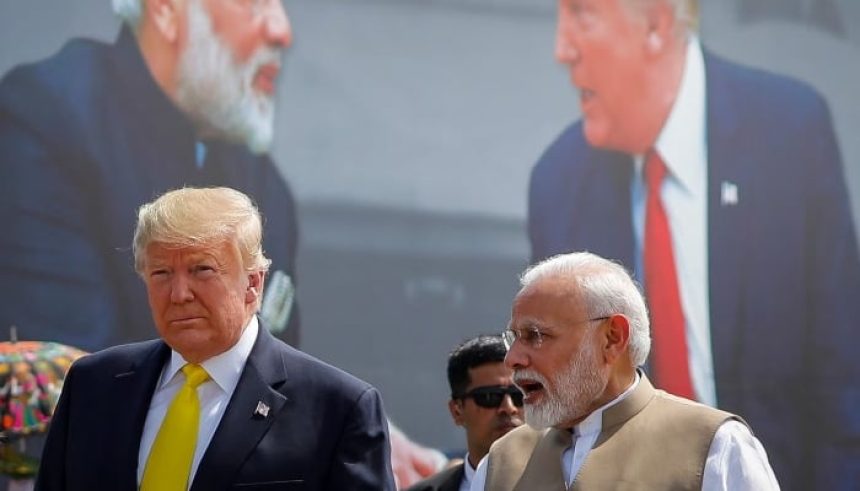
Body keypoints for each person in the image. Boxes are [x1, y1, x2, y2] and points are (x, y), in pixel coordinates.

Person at [527, 0, 860, 488]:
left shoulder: (788, 135)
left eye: (582, 14)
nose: (561, 49)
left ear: (657, 24)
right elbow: (562, 411)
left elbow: (844, 382)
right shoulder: (559, 184)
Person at [35, 186, 396, 490]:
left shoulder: (337, 408)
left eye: (201, 270)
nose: (179, 293)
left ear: (253, 284)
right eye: (161, 273)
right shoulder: (93, 385)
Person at [0, 0, 300, 352]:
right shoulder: (45, 120)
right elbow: (70, 380)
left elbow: (281, 381)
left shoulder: (263, 181)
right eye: (253, 4)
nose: (282, 31)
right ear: (165, 11)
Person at [470, 252, 778, 490]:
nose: (512, 358)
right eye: (514, 338)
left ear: (612, 337)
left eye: (536, 335)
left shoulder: (715, 445)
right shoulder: (501, 462)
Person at [407, 335, 524, 491]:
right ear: (457, 410)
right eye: (489, 397)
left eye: (521, 395)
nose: (509, 407)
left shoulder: (564, 483)